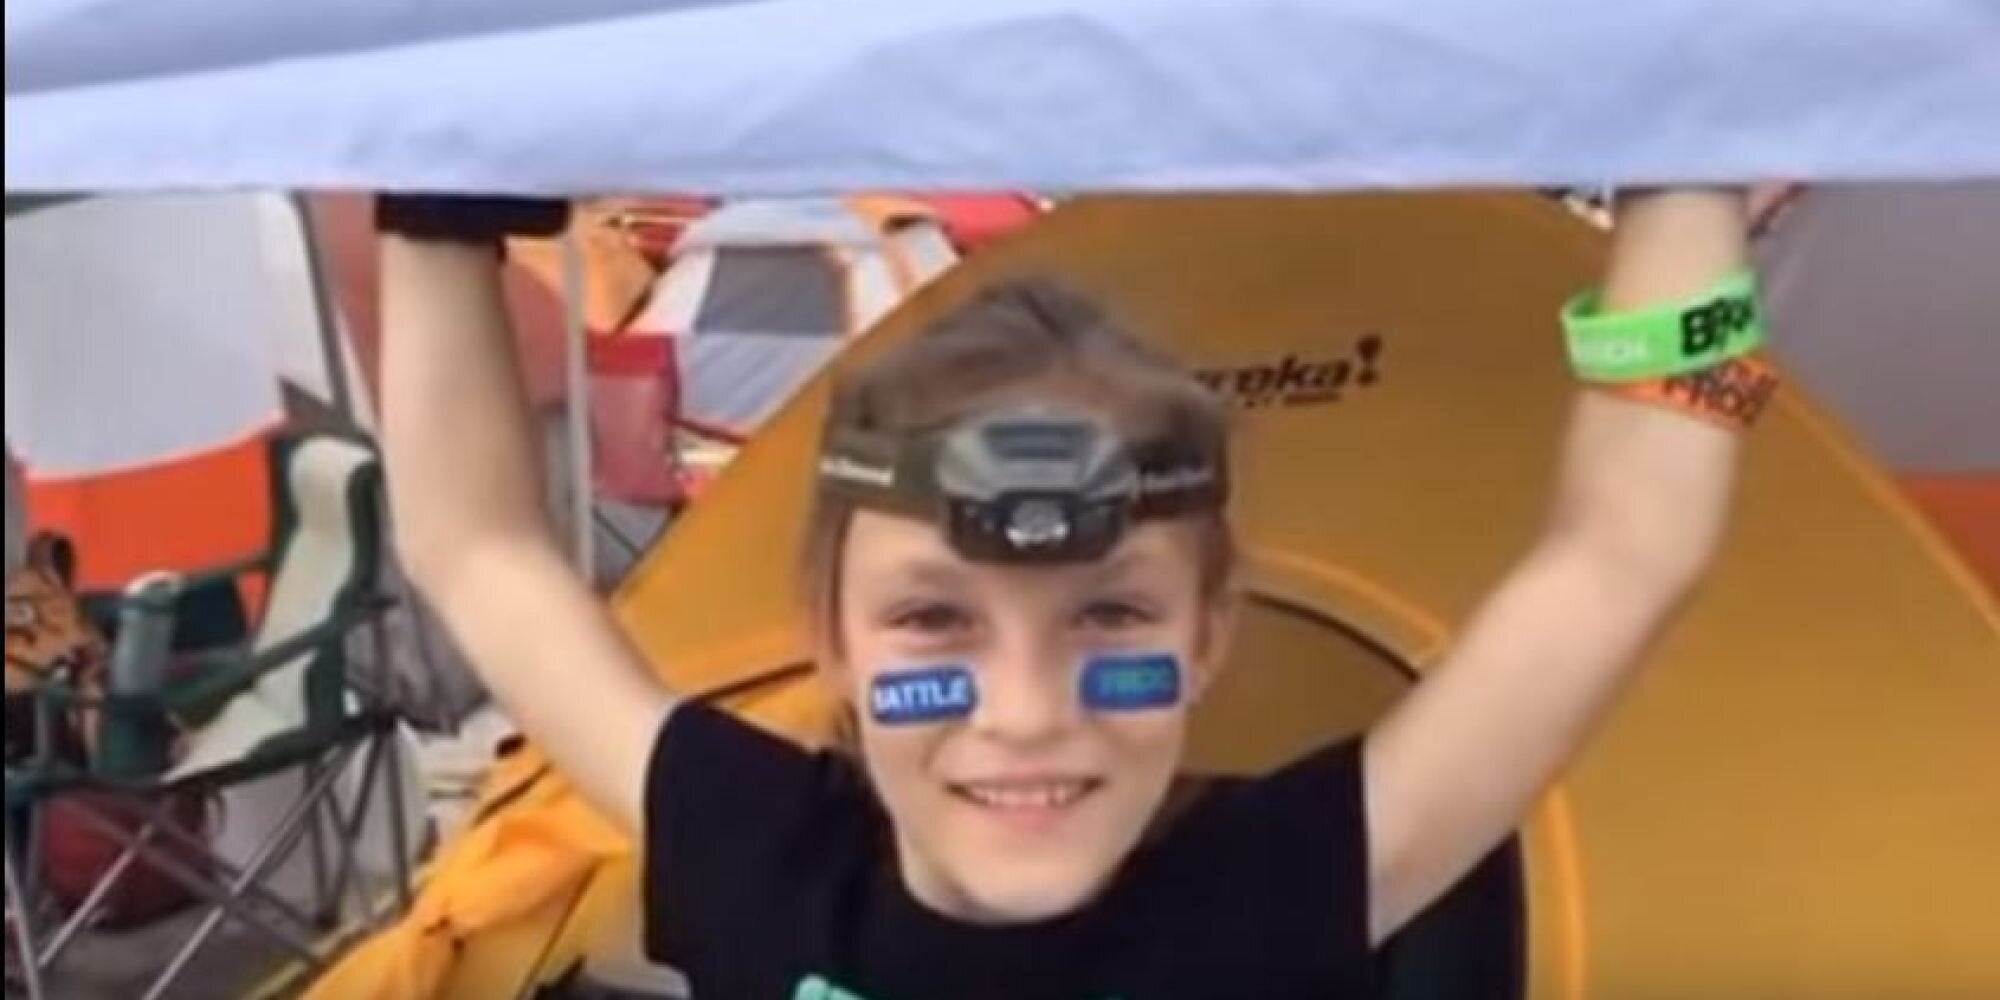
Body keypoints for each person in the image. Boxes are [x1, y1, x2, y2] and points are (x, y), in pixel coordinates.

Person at [377, 186, 1768, 998]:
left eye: (1108, 615)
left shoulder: (1275, 892)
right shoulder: (765, 854)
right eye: (936, 618)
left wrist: (1686, 169)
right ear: (831, 639)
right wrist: (437, 194)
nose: (1026, 713)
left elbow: (1628, 550)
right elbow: (473, 546)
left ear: (1208, 634)